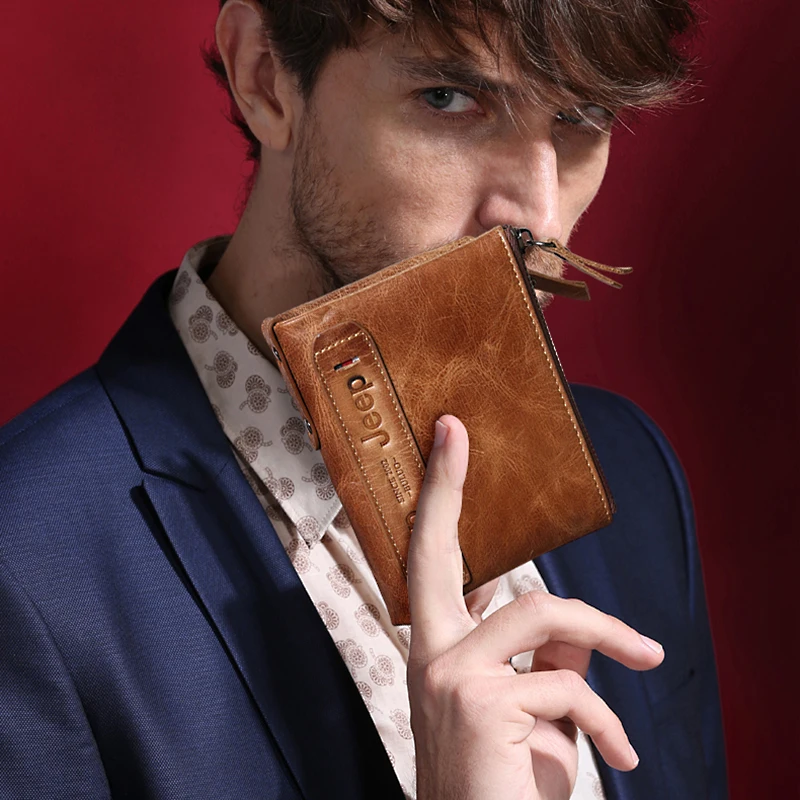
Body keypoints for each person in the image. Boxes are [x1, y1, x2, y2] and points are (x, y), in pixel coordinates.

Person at [0, 0, 727, 798]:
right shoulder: (26, 561)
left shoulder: (634, 474)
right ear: (264, 75)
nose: (538, 217)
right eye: (450, 98)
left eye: (583, 117)